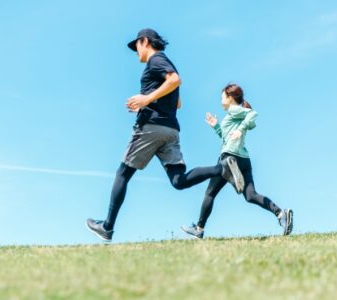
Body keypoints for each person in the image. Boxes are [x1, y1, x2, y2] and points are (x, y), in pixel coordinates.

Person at [86, 29, 242, 242]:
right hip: (170, 130)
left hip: (150, 127)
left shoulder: (156, 60)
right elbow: (178, 101)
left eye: (137, 46)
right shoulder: (165, 63)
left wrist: (146, 100)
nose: (136, 52)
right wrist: (148, 100)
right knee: (178, 181)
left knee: (123, 173)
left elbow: (175, 80)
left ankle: (107, 227)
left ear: (145, 41)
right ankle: (221, 168)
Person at [181, 83, 293, 239]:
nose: (221, 101)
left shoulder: (235, 110)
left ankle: (199, 228)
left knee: (210, 193)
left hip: (229, 157)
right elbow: (227, 137)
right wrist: (216, 127)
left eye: (222, 97)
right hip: (243, 159)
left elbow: (253, 114)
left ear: (230, 97)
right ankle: (281, 214)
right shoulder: (233, 115)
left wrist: (240, 130)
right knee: (250, 195)